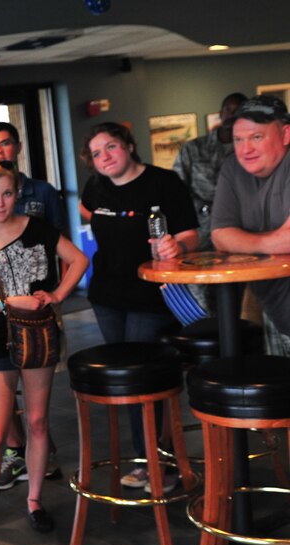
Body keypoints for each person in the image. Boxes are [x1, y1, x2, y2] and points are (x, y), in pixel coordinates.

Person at [0, 163, 87, 545]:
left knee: (39, 422)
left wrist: (57, 296)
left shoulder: (39, 229)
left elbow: (79, 260)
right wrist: (9, 302)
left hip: (39, 336)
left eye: (7, 193)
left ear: (17, 194)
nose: (0, 202)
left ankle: (34, 500)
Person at [79, 121, 199, 493]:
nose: (105, 157)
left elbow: (191, 237)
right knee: (130, 382)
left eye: (111, 147)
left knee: (143, 377)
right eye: (97, 154)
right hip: (106, 296)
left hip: (150, 294)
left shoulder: (164, 183)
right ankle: (150, 458)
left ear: (129, 146)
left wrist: (177, 249)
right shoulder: (95, 188)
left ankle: (155, 462)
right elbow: (88, 215)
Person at [0, 121, 68, 491]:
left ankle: (38, 463)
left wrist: (57, 294)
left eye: (5, 143)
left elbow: (60, 243)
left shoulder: (43, 193)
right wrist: (2, 301)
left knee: (38, 412)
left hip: (37, 314)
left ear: (17, 147)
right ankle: (15, 453)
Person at [212, 94, 290, 356]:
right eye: (238, 139)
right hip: (273, 310)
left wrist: (247, 241)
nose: (246, 149)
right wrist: (272, 241)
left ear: (286, 134)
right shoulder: (233, 169)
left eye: (257, 137)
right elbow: (221, 236)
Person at [173, 92, 247, 251]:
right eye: (228, 109)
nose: (232, 114)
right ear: (221, 114)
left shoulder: (251, 150)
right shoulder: (193, 148)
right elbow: (177, 190)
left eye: (239, 110)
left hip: (243, 229)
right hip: (201, 230)